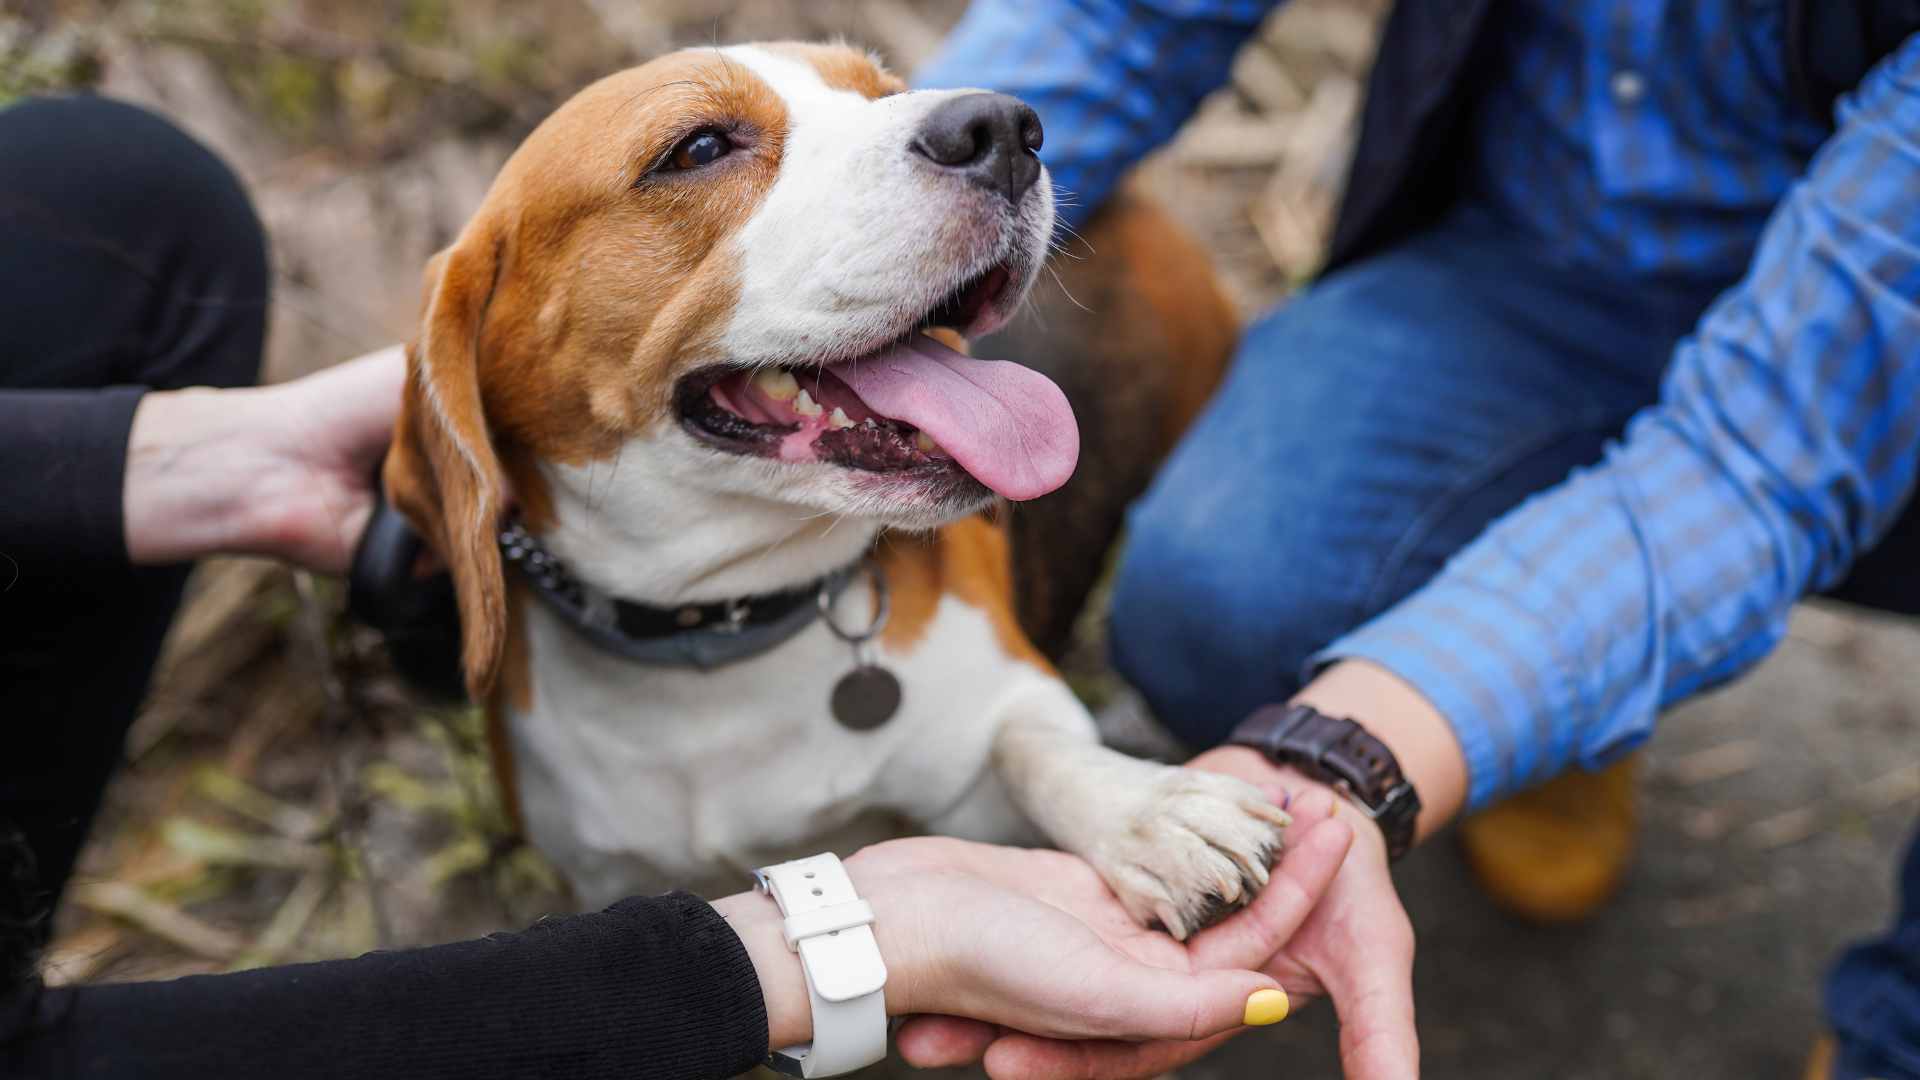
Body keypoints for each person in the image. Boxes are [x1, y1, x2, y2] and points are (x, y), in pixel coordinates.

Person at [0, 93, 1368, 1078]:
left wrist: (1079, 787)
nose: (983, 133)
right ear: (492, 350)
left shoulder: (949, 458)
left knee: (125, 193)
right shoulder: (478, 477)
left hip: (1106, 388)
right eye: (704, 151)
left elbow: (1014, 723)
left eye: (867, 102)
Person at [912, 0, 1920, 1077]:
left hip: (1874, 363)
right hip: (1527, 272)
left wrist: (1346, 755)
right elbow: (1126, 20)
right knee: (1223, 599)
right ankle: (1548, 715)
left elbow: (1756, 464)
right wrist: (882, 213)